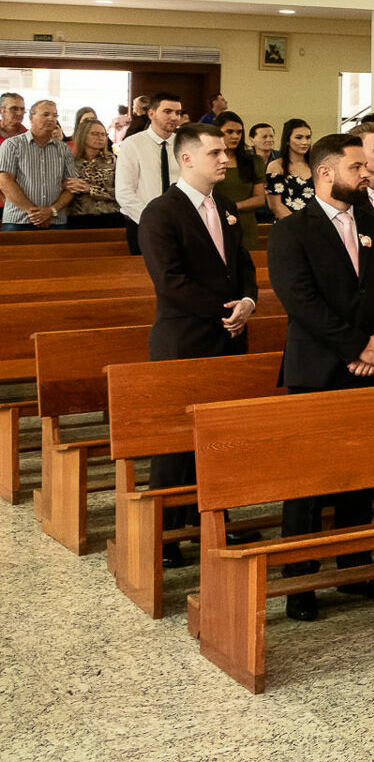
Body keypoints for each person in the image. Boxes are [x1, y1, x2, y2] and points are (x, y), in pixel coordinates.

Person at [269, 133, 374, 622]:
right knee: (308, 479)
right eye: (356, 167)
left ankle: (355, 568)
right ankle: (300, 582)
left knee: (361, 472)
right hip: (317, 368)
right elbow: (300, 301)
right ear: (325, 173)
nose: (366, 174)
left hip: (370, 365)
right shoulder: (292, 231)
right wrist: (356, 346)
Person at [135, 121, 258, 559]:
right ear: (186, 159)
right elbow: (170, 282)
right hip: (184, 339)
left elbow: (241, 263)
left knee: (220, 438)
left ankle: (214, 523)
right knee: (176, 443)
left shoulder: (224, 205)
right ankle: (167, 535)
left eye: (225, 152)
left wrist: (248, 300)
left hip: (229, 335)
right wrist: (225, 309)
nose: (225, 159)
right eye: (215, 153)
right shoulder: (160, 212)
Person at [115, 92, 185, 253]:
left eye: (178, 113)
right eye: (168, 111)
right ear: (151, 113)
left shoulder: (184, 144)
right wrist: (153, 219)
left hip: (179, 224)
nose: (174, 117)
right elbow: (124, 192)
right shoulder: (132, 144)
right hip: (143, 222)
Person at [0, 99, 81, 230]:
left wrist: (51, 211)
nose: (51, 119)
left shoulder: (64, 149)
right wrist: (33, 212)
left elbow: (72, 185)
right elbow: (5, 181)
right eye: (46, 114)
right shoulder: (12, 145)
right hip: (19, 220)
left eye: (55, 115)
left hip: (55, 220)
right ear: (31, 117)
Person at [212, 112, 266, 252]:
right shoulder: (209, 161)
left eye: (239, 132)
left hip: (245, 224)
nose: (235, 136)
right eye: (229, 132)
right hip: (215, 221)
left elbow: (260, 199)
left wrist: (234, 206)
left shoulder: (253, 161)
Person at [65, 116, 122, 228]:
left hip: (110, 216)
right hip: (78, 218)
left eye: (103, 134)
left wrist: (90, 189)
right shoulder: (70, 162)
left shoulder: (114, 161)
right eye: (95, 134)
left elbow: (120, 193)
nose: (100, 137)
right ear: (83, 135)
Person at [265, 119, 314, 220]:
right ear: (287, 140)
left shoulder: (316, 165)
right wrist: (298, 225)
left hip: (317, 223)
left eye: (308, 137)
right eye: (299, 137)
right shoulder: (276, 167)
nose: (305, 142)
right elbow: (275, 206)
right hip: (289, 223)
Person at [247, 122, 276, 226]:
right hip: (251, 212)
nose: (269, 139)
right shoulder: (244, 159)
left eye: (271, 136)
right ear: (252, 140)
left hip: (274, 212)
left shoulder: (281, 158)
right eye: (264, 137)